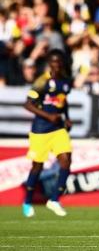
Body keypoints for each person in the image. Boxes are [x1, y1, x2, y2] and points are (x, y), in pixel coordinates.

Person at [22, 49, 73, 218]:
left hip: (58, 129)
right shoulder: (42, 81)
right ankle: (27, 202)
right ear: (49, 63)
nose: (56, 65)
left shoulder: (66, 82)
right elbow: (28, 104)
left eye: (59, 62)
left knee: (66, 160)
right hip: (40, 130)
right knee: (37, 166)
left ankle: (54, 199)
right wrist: (48, 115)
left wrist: (67, 118)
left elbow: (62, 103)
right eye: (53, 62)